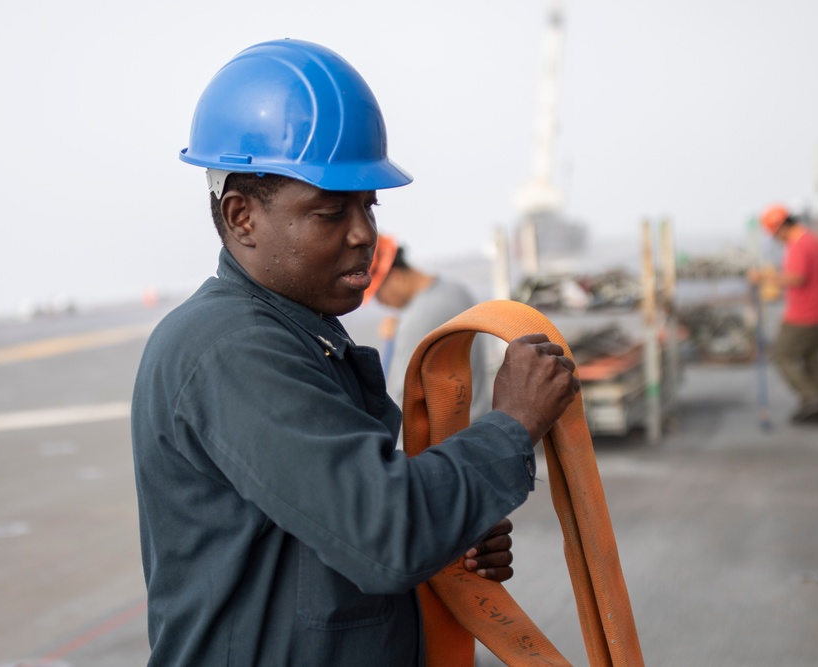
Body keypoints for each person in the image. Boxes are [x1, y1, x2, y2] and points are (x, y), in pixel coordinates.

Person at [131, 38, 580, 666]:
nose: (365, 233)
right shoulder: (230, 348)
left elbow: (333, 529)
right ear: (242, 218)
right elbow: (383, 532)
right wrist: (511, 426)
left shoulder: (300, 330)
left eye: (368, 204)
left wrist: (448, 534)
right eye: (329, 212)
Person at [365, 234, 493, 434]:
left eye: (378, 295)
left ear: (396, 277)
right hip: (476, 428)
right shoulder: (455, 289)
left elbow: (404, 405)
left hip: (447, 447)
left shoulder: (416, 321)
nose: (381, 304)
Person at [748, 204, 818, 424]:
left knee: (781, 354)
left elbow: (797, 277)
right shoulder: (815, 240)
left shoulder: (799, 245)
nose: (775, 238)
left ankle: (811, 398)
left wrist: (765, 278)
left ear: (781, 228)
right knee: (812, 361)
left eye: (774, 233)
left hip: (803, 316)